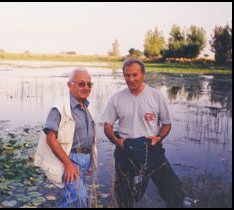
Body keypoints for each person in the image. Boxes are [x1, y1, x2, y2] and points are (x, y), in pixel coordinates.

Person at [101, 58, 184, 208]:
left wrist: (158, 138)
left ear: (143, 75)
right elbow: (107, 125)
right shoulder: (117, 98)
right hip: (125, 150)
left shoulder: (156, 96)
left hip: (152, 150)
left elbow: (166, 124)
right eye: (127, 75)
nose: (130, 79)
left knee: (174, 191)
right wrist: (116, 141)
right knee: (125, 195)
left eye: (134, 75)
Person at [34, 68, 98, 208]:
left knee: (71, 197)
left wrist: (91, 161)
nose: (86, 88)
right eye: (81, 84)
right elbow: (50, 139)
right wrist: (69, 164)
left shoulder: (87, 106)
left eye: (89, 84)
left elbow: (90, 137)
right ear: (69, 85)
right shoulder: (59, 108)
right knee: (80, 197)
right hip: (69, 160)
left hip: (85, 159)